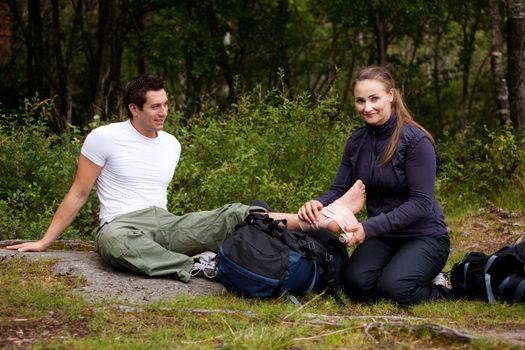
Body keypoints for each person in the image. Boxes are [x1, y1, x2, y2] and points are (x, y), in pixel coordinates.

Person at [7, 74, 365, 282]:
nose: (164, 112)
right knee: (113, 243)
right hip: (121, 225)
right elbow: (79, 193)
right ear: (134, 108)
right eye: (155, 106)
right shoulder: (104, 137)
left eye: (166, 104)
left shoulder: (171, 144)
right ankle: (196, 265)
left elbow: (160, 204)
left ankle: (321, 219)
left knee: (232, 213)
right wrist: (44, 242)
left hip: (164, 223)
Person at [298, 65, 451, 305]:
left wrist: (367, 228)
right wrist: (317, 203)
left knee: (395, 290)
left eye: (374, 99)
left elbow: (422, 203)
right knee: (355, 286)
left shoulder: (416, 141)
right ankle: (402, 273)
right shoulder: (357, 141)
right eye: (360, 101)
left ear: (391, 95)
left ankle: (443, 287)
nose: (367, 107)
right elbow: (340, 188)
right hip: (383, 235)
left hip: (424, 236)